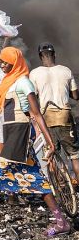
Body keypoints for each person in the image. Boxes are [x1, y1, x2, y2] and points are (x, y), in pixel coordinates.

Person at [0, 47, 70, 236]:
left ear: (15, 63)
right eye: (2, 62)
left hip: (20, 133)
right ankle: (62, 222)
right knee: (36, 180)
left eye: (7, 63)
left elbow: (36, 113)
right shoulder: (8, 81)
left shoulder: (23, 83)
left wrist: (50, 142)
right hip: (12, 131)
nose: (3, 65)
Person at [29, 43, 79, 179]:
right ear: (54, 55)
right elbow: (75, 96)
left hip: (46, 118)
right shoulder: (66, 71)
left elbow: (32, 98)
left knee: (53, 155)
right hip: (64, 116)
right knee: (74, 156)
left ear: (40, 57)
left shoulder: (34, 73)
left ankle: (62, 189)